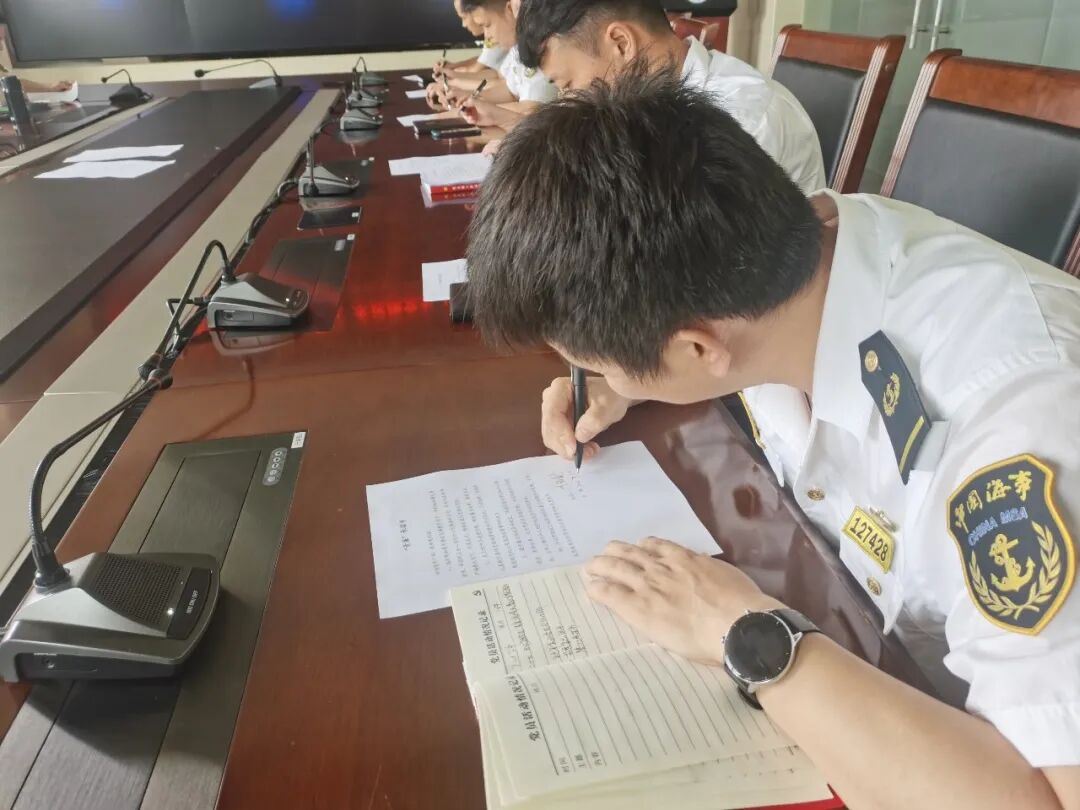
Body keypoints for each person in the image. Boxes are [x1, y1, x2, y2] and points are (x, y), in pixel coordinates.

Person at [464, 69, 1080, 809]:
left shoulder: (1019, 418)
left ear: (699, 349)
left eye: (593, 362)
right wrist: (631, 379)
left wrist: (741, 629)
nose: (595, 377)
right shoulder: (790, 255)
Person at [515, 0, 826, 194]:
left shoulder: (740, 118)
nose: (568, 101)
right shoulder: (649, 101)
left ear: (621, 43)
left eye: (569, 85)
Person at [428, 0, 557, 134]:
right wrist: (471, 98)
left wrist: (463, 111)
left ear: (511, 9)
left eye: (487, 25)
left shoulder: (542, 47)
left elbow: (532, 109)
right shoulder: (517, 49)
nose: (487, 36)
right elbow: (510, 89)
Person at [432, 0, 506, 79]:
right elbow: (483, 59)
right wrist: (453, 66)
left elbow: (476, 70)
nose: (463, 24)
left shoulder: (498, 34)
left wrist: (452, 74)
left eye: (464, 17)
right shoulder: (491, 34)